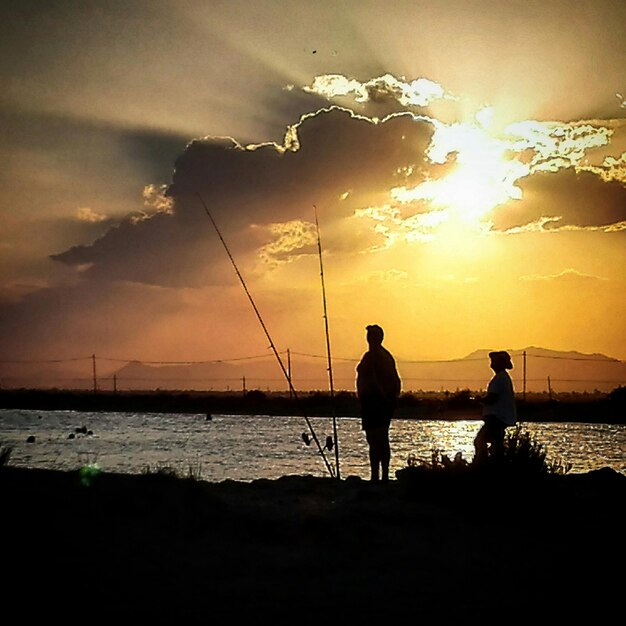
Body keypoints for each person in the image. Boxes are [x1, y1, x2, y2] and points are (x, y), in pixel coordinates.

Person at [356, 324, 401, 482]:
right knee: (378, 439)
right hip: (375, 403)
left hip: (376, 404)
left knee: (377, 439)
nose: (368, 339)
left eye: (371, 336)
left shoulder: (377, 357)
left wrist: (385, 399)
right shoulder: (382, 356)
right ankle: (380, 475)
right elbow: (397, 382)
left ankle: (378, 476)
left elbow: (377, 381)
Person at [474, 350, 517, 464]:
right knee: (496, 444)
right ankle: (493, 464)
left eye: (493, 361)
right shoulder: (502, 378)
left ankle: (481, 464)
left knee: (480, 441)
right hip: (499, 418)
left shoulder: (500, 379)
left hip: (496, 418)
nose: (491, 363)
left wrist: (479, 400)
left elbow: (492, 398)